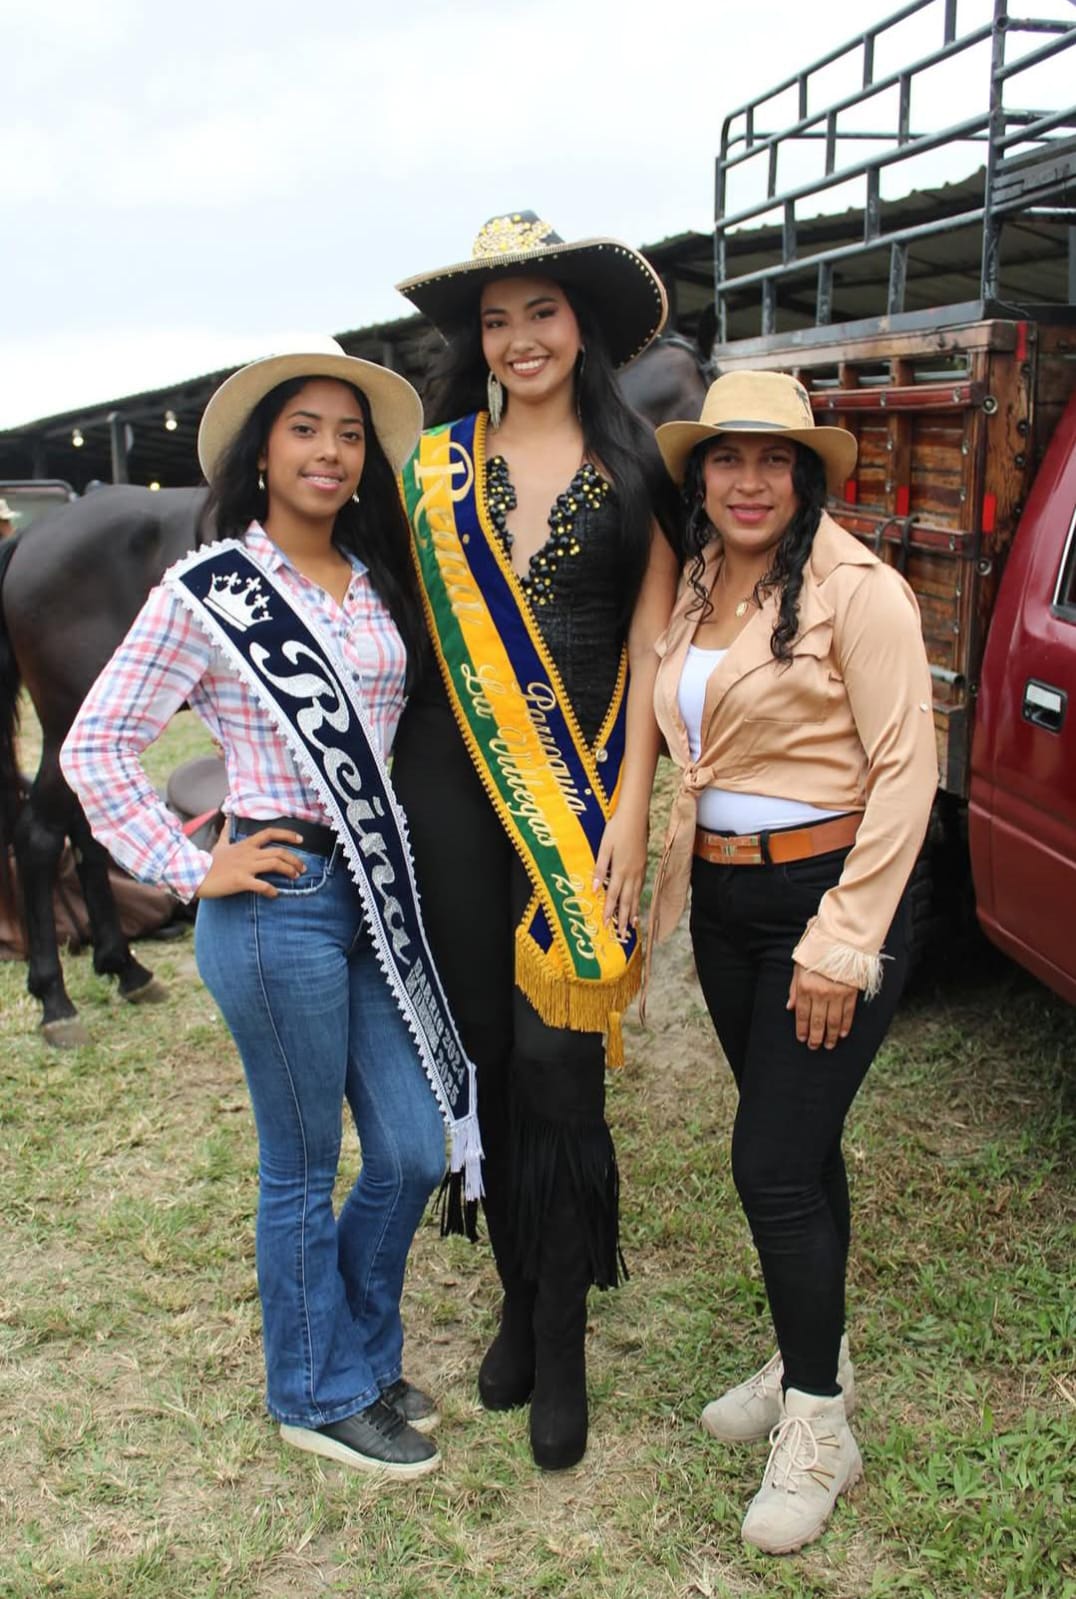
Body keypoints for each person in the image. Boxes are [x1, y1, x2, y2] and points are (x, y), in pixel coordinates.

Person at [61, 336, 481, 1480]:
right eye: (305, 431)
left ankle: (358, 1354)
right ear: (261, 454)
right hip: (276, 900)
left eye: (348, 435)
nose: (330, 452)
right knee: (299, 1165)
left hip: (372, 896)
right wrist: (188, 865)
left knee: (409, 1149)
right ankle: (316, 1390)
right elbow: (95, 746)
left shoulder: (374, 578)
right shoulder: (208, 594)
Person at [392, 212, 679, 1471]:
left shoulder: (635, 465)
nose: (519, 339)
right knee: (489, 1064)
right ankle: (515, 1300)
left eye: (541, 314)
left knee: (561, 1072)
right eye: (495, 320)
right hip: (450, 794)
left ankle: (560, 1343)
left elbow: (651, 650)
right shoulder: (433, 469)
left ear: (583, 328)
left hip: (580, 799)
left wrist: (630, 813)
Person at [648, 372, 938, 1553]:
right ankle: (808, 1352)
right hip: (725, 899)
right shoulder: (700, 580)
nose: (749, 481)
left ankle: (818, 1424)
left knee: (766, 1164)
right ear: (700, 474)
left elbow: (907, 771)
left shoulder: (857, 589)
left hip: (828, 897)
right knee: (800, 1145)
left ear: (806, 475)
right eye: (727, 458)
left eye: (774, 459)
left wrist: (842, 940)